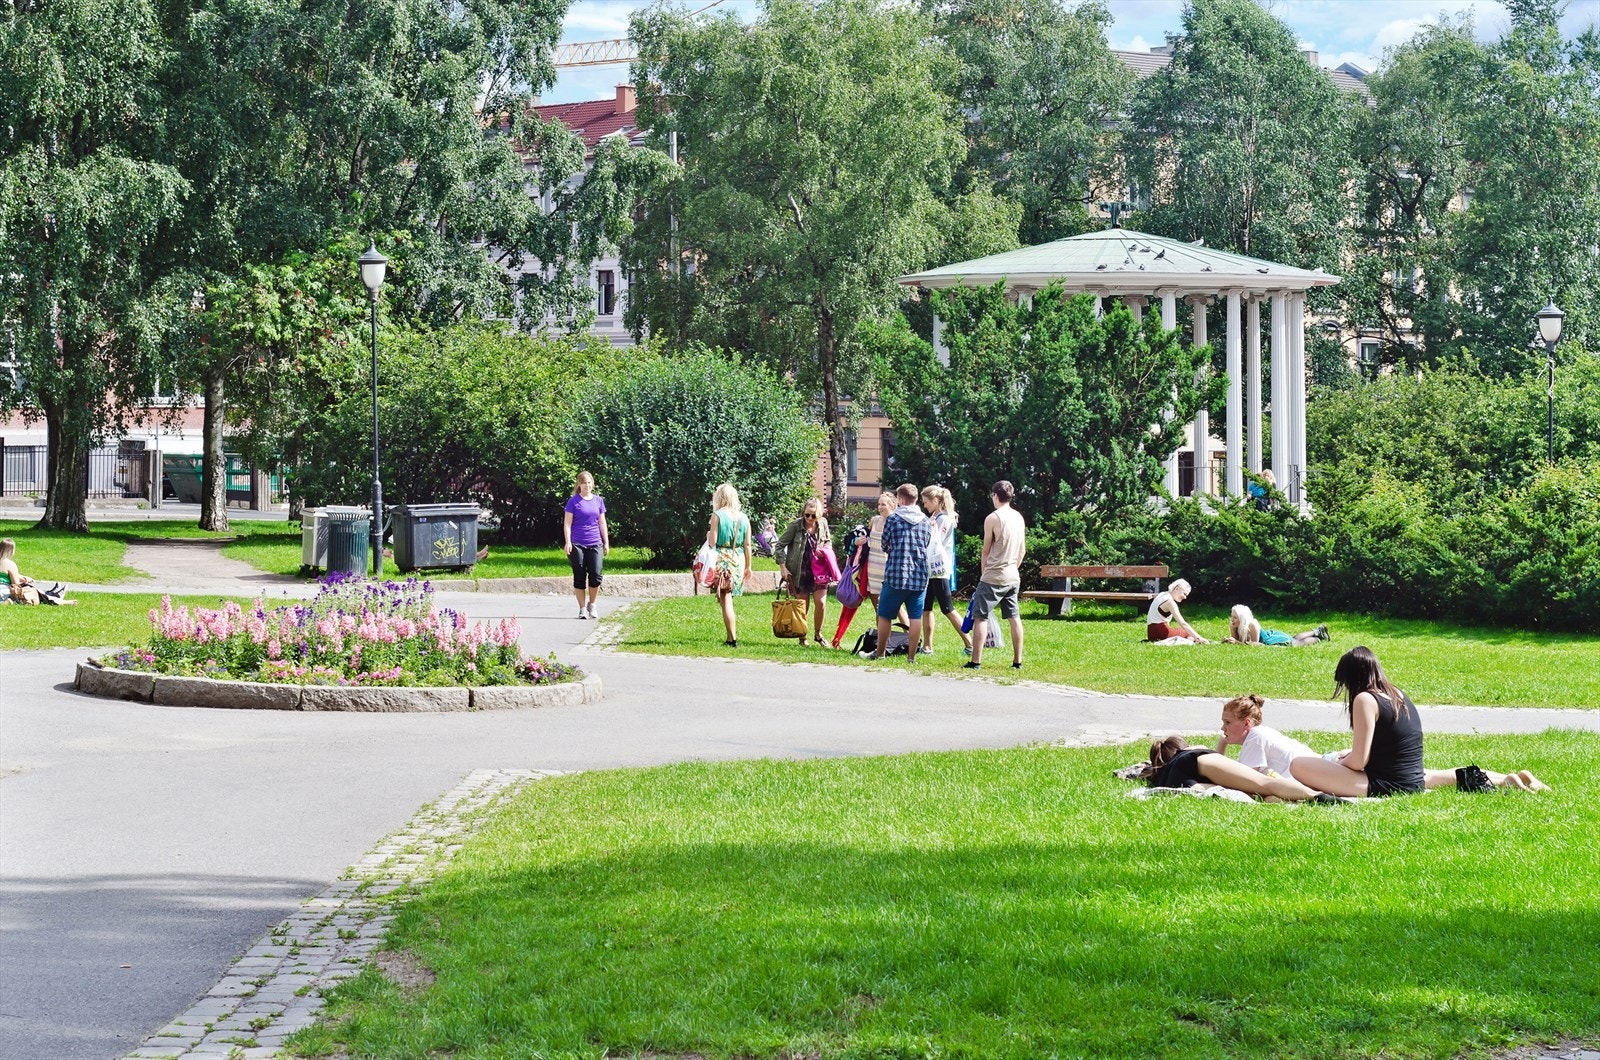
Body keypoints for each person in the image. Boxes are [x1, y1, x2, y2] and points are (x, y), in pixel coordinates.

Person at [1289, 647, 1549, 797]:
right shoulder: (1396, 693)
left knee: (1298, 764)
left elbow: (1358, 762)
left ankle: (1511, 781)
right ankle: (1507, 779)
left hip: (1389, 782)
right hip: (1414, 775)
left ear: (1353, 678)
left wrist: (1339, 762)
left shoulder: (1365, 699)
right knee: (1450, 775)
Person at [1147, 734, 1326, 801]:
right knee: (1265, 783)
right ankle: (1318, 796)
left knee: (1258, 794)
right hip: (1197, 764)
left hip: (1187, 781)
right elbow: (1215, 763)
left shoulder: (1164, 776)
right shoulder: (1190, 752)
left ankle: (1304, 799)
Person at [863, 483, 931, 662]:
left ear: (900, 499)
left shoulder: (893, 519)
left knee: (885, 615)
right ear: (916, 499)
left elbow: (884, 543)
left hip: (895, 574)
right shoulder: (925, 521)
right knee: (915, 617)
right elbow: (927, 544)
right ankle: (911, 657)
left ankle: (880, 653)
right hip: (919, 575)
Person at [965, 480, 1026, 670]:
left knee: (980, 617)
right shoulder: (1018, 517)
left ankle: (975, 661)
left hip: (993, 576)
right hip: (1012, 575)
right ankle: (1017, 661)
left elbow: (986, 550)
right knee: (1014, 617)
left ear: (995, 495)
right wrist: (1013, 567)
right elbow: (1022, 550)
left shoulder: (993, 518)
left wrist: (985, 573)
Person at [774, 498, 833, 647]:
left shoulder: (823, 524)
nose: (810, 519)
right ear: (803, 513)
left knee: (821, 602)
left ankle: (818, 634)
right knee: (802, 605)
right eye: (807, 515)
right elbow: (779, 546)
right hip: (800, 570)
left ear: (819, 515)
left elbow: (828, 541)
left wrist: (825, 550)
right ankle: (802, 636)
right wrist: (783, 567)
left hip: (819, 570)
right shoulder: (795, 526)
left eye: (814, 515)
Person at [918, 485, 970, 655]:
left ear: (935, 500)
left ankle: (970, 643)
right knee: (926, 608)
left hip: (939, 570)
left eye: (926, 502)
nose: (924, 505)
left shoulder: (943, 519)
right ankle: (927, 646)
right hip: (931, 570)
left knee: (947, 608)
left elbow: (935, 542)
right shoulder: (935, 517)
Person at [1215, 693, 1319, 776]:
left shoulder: (1256, 737)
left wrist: (1221, 745)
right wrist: (1222, 742)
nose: (1223, 728)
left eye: (1228, 722)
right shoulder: (1259, 734)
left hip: (1321, 771)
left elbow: (1244, 780)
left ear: (1246, 723)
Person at [705, 482, 754, 647]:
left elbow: (712, 542)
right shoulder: (744, 517)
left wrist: (708, 535)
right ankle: (729, 637)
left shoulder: (717, 515)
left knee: (726, 600)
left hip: (723, 560)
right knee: (727, 597)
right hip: (738, 559)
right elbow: (748, 545)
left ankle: (732, 639)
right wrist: (748, 566)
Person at [562, 471, 610, 620]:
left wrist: (606, 542)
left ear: (592, 484)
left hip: (595, 542)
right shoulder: (573, 501)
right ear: (579, 484)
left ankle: (592, 604)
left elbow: (602, 522)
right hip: (577, 543)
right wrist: (568, 542)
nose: (587, 486)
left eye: (589, 483)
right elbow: (567, 523)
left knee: (596, 575)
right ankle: (582, 608)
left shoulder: (598, 501)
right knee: (579, 575)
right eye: (584, 483)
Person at [0, 538, 71, 605]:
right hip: (4, 592)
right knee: (30, 590)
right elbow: (16, 585)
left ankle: (52, 594)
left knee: (30, 589)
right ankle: (54, 596)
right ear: (12, 550)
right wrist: (23, 582)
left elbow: (5, 575)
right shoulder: (10, 564)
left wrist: (23, 577)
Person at [1223, 604, 1328, 647]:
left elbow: (1255, 645)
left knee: (1296, 643)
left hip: (1272, 640)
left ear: (1242, 618)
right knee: (1294, 638)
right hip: (1270, 636)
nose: (1232, 619)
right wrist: (1230, 641)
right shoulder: (1234, 625)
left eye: (1235, 617)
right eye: (1232, 616)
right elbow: (1236, 641)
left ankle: (1318, 638)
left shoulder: (1252, 624)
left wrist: (1236, 643)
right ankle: (1317, 631)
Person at [1146, 578, 1208, 644]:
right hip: (1160, 633)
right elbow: (1183, 623)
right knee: (1188, 633)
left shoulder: (1162, 594)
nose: (1185, 597)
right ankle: (1198, 641)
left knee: (1186, 632)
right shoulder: (1170, 602)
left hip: (1151, 633)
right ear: (1176, 588)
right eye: (1184, 594)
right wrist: (1199, 637)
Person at [864, 491, 894, 614]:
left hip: (886, 567)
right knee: (877, 606)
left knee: (892, 605)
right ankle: (881, 628)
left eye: (883, 504)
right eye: (879, 504)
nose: (880, 507)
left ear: (891, 505)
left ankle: (907, 626)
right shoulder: (874, 520)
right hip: (872, 567)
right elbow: (867, 539)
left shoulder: (895, 522)